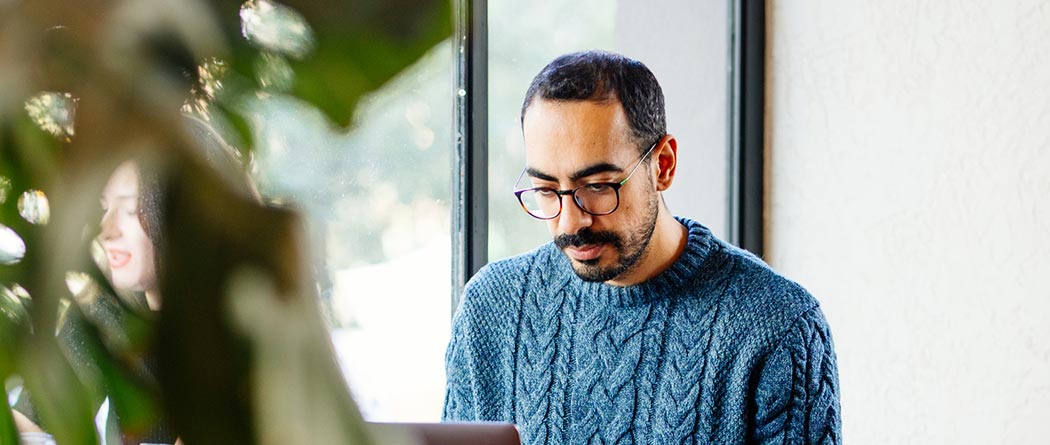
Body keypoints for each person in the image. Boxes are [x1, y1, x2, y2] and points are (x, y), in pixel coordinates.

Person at [442, 50, 841, 445]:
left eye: (597, 187)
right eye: (547, 190)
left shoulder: (778, 325)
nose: (569, 223)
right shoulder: (490, 307)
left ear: (663, 165)